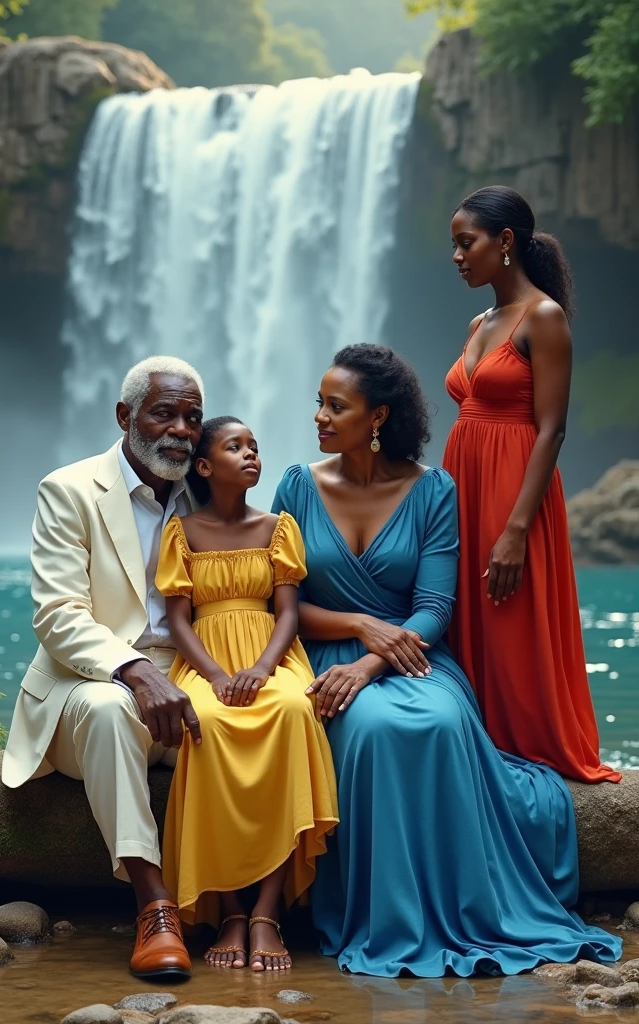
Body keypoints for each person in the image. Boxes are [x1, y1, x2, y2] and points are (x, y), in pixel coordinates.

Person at [272, 342, 621, 978]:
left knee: (432, 720)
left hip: (413, 655)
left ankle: (455, 909)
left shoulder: (432, 490)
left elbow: (435, 607)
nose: (318, 416)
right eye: (318, 403)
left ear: (378, 417)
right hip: (322, 650)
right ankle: (388, 916)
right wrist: (359, 628)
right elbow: (282, 605)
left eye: (334, 405)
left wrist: (374, 660)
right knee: (374, 727)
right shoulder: (297, 486)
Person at [2, 356, 208, 980]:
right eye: (164, 412)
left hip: (188, 678)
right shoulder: (70, 489)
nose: (180, 429)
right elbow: (58, 614)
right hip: (86, 684)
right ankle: (155, 906)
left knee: (258, 715)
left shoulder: (209, 494)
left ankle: (244, 906)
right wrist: (133, 669)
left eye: (192, 417)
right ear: (125, 416)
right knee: (111, 707)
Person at [444, 185, 620, 783]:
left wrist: (517, 527)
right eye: (453, 246)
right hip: (462, 483)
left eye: (467, 243)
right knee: (465, 612)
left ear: (507, 242)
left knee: (508, 614)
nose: (458, 256)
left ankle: (528, 744)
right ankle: (478, 738)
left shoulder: (542, 317)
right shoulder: (480, 320)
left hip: (513, 487)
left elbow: (552, 429)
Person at [156, 417, 337, 972]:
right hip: (206, 660)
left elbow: (286, 611)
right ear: (205, 467)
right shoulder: (181, 532)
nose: (251, 454)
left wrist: (262, 666)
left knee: (291, 709)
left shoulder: (277, 526)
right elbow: (178, 620)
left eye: (255, 446)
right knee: (205, 723)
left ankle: (266, 911)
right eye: (235, 447)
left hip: (271, 656)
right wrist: (213, 674)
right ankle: (230, 909)